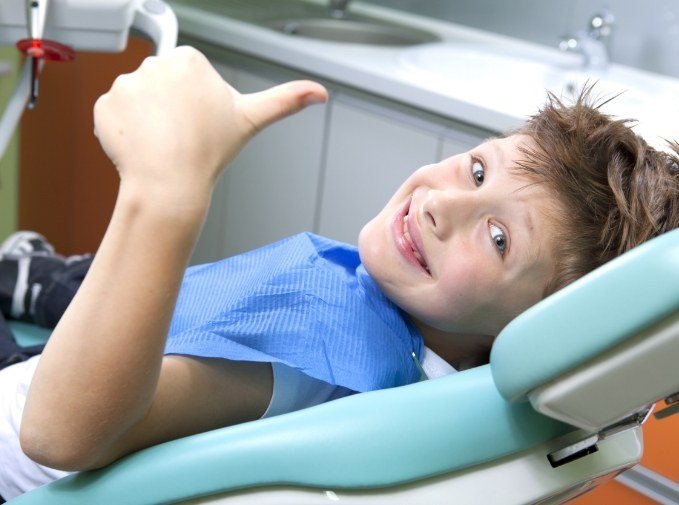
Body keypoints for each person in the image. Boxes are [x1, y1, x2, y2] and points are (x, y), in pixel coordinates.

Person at [0, 46, 676, 500]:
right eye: (477, 169)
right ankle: (52, 278)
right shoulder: (397, 344)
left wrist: (164, 192)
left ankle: (44, 278)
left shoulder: (318, 362)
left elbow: (59, 434)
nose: (442, 203)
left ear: (526, 327)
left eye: (498, 238)